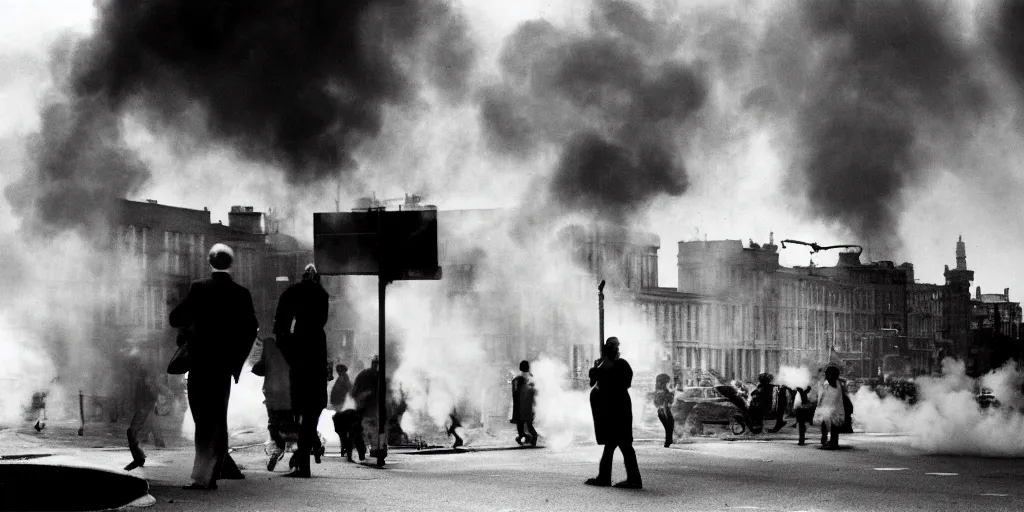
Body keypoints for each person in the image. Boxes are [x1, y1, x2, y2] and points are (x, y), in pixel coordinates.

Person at [169, 243, 258, 490]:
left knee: (203, 420)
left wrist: (191, 329)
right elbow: (251, 328)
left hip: (200, 362)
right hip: (223, 366)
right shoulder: (241, 293)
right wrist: (235, 362)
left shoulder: (199, 289)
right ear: (231, 264)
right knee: (219, 417)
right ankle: (217, 468)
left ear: (210, 261)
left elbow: (176, 317)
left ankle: (203, 476)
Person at [273, 263, 330, 478]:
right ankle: (303, 460)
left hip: (299, 358)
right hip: (316, 355)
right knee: (312, 412)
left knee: (300, 410)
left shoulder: (292, 293)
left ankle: (301, 462)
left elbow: (280, 326)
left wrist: (289, 350)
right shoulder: (322, 296)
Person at [586, 337, 642, 489]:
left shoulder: (612, 367)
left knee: (623, 445)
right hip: (618, 409)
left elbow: (596, 381)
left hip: (616, 411)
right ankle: (606, 477)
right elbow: (594, 380)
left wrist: (599, 367)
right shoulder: (617, 366)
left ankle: (633, 479)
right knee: (614, 445)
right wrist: (600, 366)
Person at [252, 335, 294, 472]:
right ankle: (297, 451)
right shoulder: (293, 344)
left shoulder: (269, 346)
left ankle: (278, 449)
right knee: (290, 427)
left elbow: (260, 367)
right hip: (289, 395)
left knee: (274, 426)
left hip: (274, 395)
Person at [124, 349, 166, 471]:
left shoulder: (144, 374)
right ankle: (139, 456)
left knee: (132, 432)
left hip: (145, 407)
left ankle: (139, 457)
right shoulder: (142, 374)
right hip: (145, 407)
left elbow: (150, 390)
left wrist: (145, 405)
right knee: (135, 432)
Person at [811, 364, 850, 449]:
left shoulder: (834, 385)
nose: (827, 376)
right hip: (830, 410)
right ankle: (829, 441)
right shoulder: (834, 383)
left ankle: (833, 443)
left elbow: (829, 398)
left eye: (827, 374)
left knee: (833, 427)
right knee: (827, 425)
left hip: (833, 410)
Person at [510, 360, 538, 446]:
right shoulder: (530, 377)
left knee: (521, 423)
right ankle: (532, 437)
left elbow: (515, 392)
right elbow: (535, 391)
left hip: (520, 405)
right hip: (529, 405)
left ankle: (524, 437)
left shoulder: (517, 378)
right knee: (529, 424)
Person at [652, 374, 674, 448]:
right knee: (669, 427)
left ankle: (668, 441)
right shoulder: (664, 391)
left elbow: (655, 403)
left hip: (661, 411)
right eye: (668, 382)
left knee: (668, 427)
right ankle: (668, 441)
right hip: (665, 411)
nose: (669, 383)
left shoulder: (657, 391)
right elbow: (671, 401)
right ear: (664, 382)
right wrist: (670, 392)